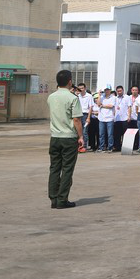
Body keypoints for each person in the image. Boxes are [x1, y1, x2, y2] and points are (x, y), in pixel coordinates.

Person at [47, 70, 84, 209]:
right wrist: (80, 136)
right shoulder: (72, 98)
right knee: (67, 169)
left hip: (55, 137)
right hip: (68, 137)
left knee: (54, 168)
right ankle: (62, 199)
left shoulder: (51, 97)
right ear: (70, 81)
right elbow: (76, 119)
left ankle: (53, 198)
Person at [97, 86, 116, 152]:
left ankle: (110, 147)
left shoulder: (113, 97)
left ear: (110, 90)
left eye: (108, 90)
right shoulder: (102, 97)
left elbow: (111, 106)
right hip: (101, 118)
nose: (106, 91)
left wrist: (103, 105)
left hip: (109, 118)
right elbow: (98, 104)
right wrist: (99, 95)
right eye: (105, 90)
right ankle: (101, 147)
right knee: (101, 134)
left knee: (110, 134)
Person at [77, 83, 94, 152]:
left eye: (82, 88)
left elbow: (90, 107)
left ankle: (84, 146)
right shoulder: (77, 96)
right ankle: (79, 146)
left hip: (85, 115)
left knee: (84, 131)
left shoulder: (89, 96)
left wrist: (88, 117)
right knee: (78, 131)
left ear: (85, 88)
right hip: (78, 115)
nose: (81, 90)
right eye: (79, 88)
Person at [113, 85, 130, 151]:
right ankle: (117, 147)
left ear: (123, 90)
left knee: (125, 133)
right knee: (117, 134)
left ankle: (126, 147)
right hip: (117, 119)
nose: (119, 92)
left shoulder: (127, 97)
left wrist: (129, 116)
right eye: (118, 91)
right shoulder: (115, 98)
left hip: (124, 118)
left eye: (120, 91)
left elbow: (129, 107)